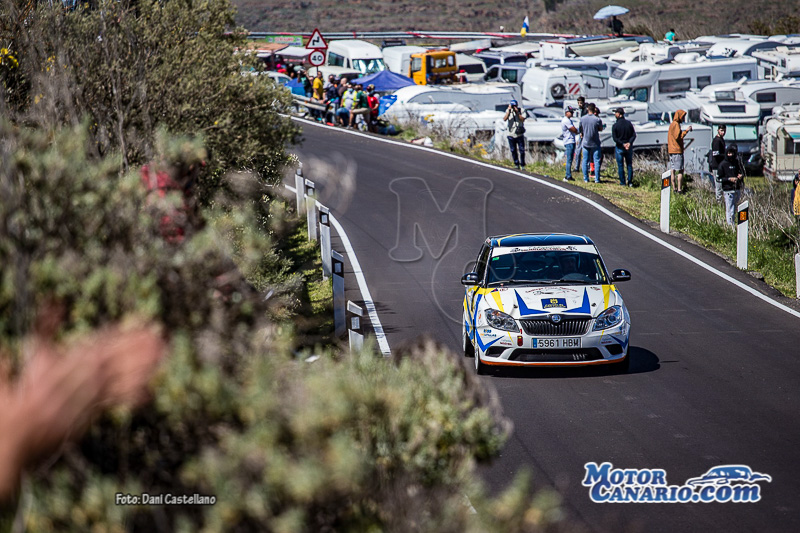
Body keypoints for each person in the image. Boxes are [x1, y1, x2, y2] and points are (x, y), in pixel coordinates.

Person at [718, 144, 745, 225]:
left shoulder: (737, 162)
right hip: (728, 190)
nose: (731, 155)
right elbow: (718, 178)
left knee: (738, 207)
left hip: (737, 188)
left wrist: (741, 176)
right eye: (729, 153)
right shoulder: (722, 164)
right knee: (730, 209)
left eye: (732, 153)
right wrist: (729, 179)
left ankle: (739, 223)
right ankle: (730, 225)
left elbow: (742, 172)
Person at [667, 109, 692, 193]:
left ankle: (674, 188)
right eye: (683, 116)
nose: (683, 118)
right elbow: (678, 137)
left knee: (673, 170)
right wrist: (686, 131)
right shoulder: (676, 125)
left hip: (671, 150)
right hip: (677, 151)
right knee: (680, 170)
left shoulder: (671, 124)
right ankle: (679, 189)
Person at [612, 107, 636, 186]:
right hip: (628, 147)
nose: (615, 114)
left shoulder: (615, 125)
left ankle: (622, 182)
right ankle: (630, 182)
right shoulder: (629, 123)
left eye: (616, 113)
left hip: (620, 147)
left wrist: (623, 144)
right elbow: (633, 135)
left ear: (619, 114)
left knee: (620, 165)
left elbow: (615, 138)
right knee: (629, 165)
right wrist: (629, 143)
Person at [580, 103, 603, 183]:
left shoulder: (583, 119)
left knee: (585, 160)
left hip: (585, 142)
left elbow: (581, 128)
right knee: (596, 160)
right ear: (594, 110)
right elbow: (600, 128)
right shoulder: (597, 119)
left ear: (587, 109)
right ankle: (597, 178)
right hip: (595, 142)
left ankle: (585, 178)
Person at [504, 99, 527, 169]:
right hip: (511, 134)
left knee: (522, 150)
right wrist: (509, 111)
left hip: (519, 134)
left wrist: (517, 112)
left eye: (515, 106)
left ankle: (522, 164)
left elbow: (522, 119)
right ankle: (516, 163)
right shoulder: (508, 111)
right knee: (513, 150)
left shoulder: (521, 110)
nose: (514, 107)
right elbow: (504, 119)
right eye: (513, 106)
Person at [561, 106, 578, 181]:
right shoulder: (566, 120)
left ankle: (568, 175)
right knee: (569, 159)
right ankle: (568, 175)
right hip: (569, 141)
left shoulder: (568, 120)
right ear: (566, 112)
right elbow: (573, 129)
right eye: (570, 112)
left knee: (570, 159)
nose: (572, 113)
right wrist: (578, 131)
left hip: (571, 140)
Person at [710, 125, 727, 201]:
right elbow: (716, 154)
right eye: (721, 130)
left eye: (724, 131)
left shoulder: (721, 139)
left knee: (721, 185)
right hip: (717, 166)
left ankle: (721, 201)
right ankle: (718, 201)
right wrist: (725, 156)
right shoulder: (717, 140)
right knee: (719, 186)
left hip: (721, 166)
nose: (723, 132)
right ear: (718, 130)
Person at [574, 96, 587, 172]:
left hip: (584, 132)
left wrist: (581, 132)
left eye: (580, 103)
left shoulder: (585, 110)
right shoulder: (582, 110)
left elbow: (583, 123)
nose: (579, 104)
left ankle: (578, 167)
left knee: (579, 149)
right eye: (578, 103)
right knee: (579, 149)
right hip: (582, 132)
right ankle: (578, 167)